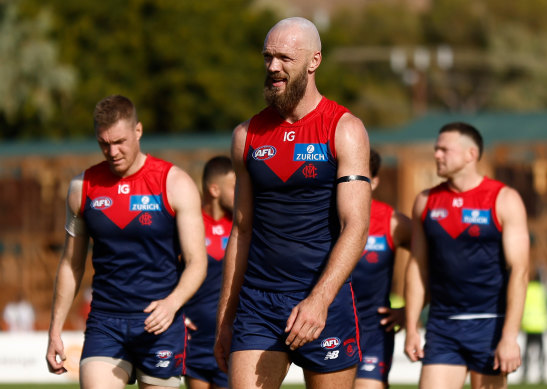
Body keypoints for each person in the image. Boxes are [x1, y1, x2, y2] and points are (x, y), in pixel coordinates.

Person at [214, 17, 371, 389]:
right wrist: (225, 319)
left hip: (323, 300)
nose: (272, 67)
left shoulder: (344, 129)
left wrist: (319, 300)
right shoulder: (246, 135)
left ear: (314, 61)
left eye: (284, 57)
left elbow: (356, 226)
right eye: (267, 57)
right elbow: (241, 229)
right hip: (258, 304)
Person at [45, 95, 208, 389]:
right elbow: (71, 264)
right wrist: (55, 328)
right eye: (104, 143)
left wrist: (172, 304)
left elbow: (197, 263)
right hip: (106, 324)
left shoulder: (174, 183)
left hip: (161, 325)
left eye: (119, 141)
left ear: (138, 131)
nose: (113, 151)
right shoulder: (81, 189)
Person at [404, 122, 530, 389]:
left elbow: (520, 272)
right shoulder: (425, 201)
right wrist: (412, 326)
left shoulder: (504, 199)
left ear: (471, 154)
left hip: (490, 326)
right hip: (442, 327)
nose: (437, 154)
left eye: (444, 150)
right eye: (436, 149)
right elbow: (418, 267)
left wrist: (509, 337)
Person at [351, 149, 411, 389]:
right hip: (331, 326)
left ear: (374, 182)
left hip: (374, 331)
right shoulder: (323, 218)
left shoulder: (393, 222)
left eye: (360, 176)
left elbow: (436, 261)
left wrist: (410, 311)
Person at [184, 156, 235, 389]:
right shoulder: (189, 225)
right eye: (234, 187)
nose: (241, 193)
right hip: (195, 339)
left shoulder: (241, 228)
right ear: (214, 189)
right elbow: (169, 273)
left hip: (231, 337)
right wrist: (177, 313)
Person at [521, 271, 547, 383]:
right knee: (541, 353)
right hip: (540, 325)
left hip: (528, 325)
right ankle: (542, 374)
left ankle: (525, 374)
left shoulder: (527, 289)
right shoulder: (543, 290)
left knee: (527, 353)